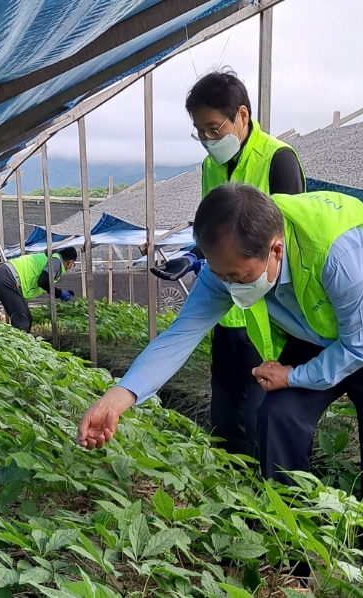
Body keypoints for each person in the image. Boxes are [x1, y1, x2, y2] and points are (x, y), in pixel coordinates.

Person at [78, 184, 363, 524]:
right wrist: (120, 395)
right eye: (222, 275)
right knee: (278, 415)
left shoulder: (337, 247)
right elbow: (181, 334)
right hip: (320, 332)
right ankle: (291, 540)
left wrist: (292, 376)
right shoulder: (228, 264)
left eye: (240, 278)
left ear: (276, 249)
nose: (230, 286)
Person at [150, 70, 305, 459]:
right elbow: (215, 236)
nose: (207, 140)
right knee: (224, 415)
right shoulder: (210, 168)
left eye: (214, 128)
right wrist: (192, 256)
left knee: (261, 416)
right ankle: (230, 498)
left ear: (241, 116)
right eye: (199, 132)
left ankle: (265, 504)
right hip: (228, 314)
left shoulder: (278, 160)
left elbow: (286, 243)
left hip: (268, 320)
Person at [0, 247, 77, 333]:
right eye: (73, 265)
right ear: (70, 262)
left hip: (6, 276)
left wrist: (60, 293)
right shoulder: (56, 262)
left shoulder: (53, 259)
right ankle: (17, 346)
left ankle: (20, 345)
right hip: (8, 277)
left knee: (27, 318)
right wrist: (60, 293)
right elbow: (43, 281)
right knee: (22, 321)